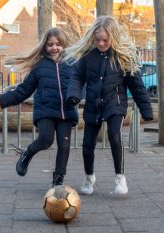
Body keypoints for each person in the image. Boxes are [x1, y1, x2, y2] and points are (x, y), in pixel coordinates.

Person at [64, 16, 153, 195]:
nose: (101, 43)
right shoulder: (88, 56)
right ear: (92, 38)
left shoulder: (123, 57)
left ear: (113, 37)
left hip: (115, 104)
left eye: (105, 40)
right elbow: (77, 78)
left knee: (114, 137)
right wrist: (74, 95)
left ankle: (120, 177)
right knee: (87, 144)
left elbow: (136, 85)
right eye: (98, 40)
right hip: (93, 105)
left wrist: (146, 110)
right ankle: (89, 177)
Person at [0, 28, 78, 187]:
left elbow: (81, 84)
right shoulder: (40, 66)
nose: (54, 48)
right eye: (50, 44)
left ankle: (58, 180)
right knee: (46, 139)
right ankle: (27, 153)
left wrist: (79, 95)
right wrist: (3, 100)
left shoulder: (72, 64)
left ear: (64, 45)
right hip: (45, 110)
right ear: (44, 46)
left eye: (58, 44)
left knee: (64, 144)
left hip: (66, 111)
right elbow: (24, 90)